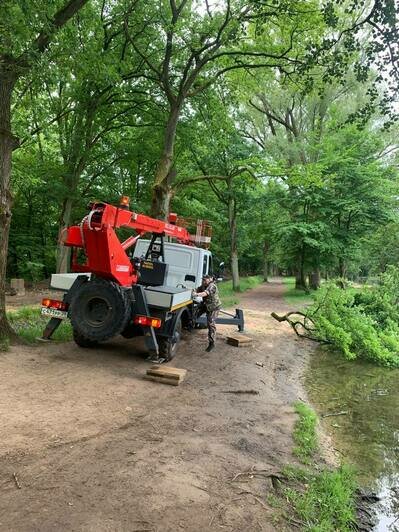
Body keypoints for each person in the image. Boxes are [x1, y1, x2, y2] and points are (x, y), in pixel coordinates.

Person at [193, 274, 222, 352]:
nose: (203, 281)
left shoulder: (212, 286)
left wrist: (196, 294)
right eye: (203, 279)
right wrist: (193, 291)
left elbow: (205, 293)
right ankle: (191, 325)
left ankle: (211, 343)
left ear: (210, 279)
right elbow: (197, 289)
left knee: (210, 324)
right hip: (206, 305)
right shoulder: (203, 285)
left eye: (205, 280)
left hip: (214, 307)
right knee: (194, 312)